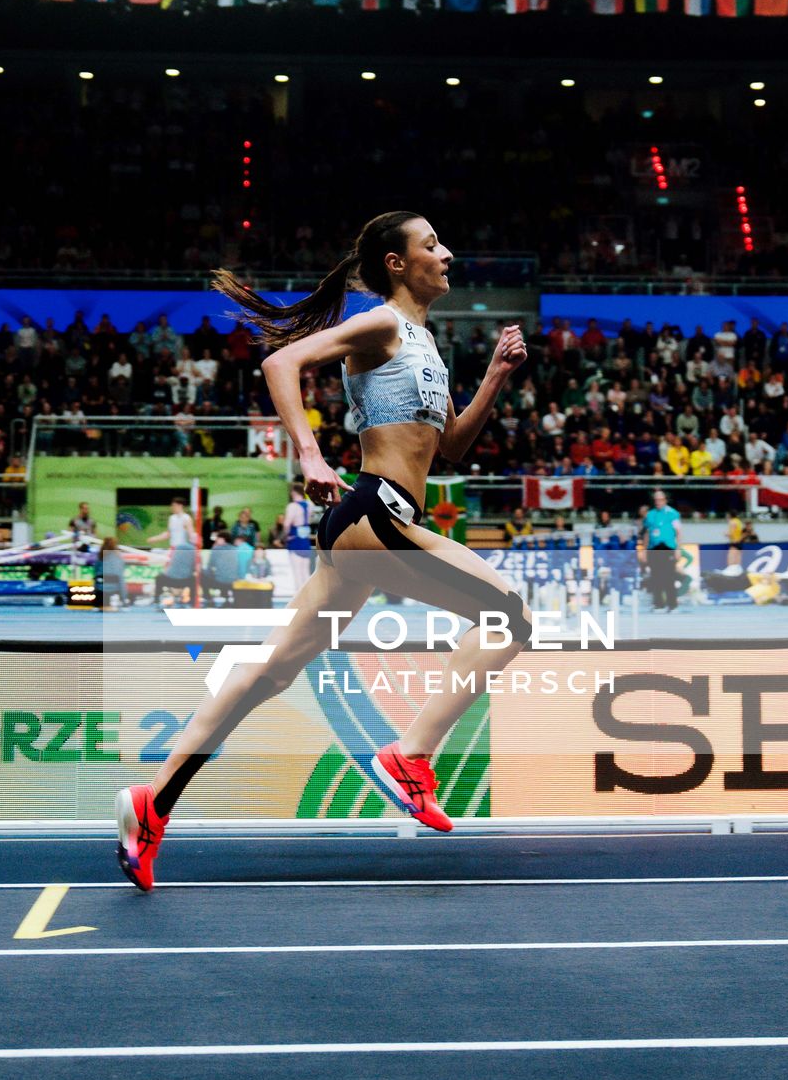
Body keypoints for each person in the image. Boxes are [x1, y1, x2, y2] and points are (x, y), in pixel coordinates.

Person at [116, 212, 530, 887]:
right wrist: (307, 453)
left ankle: (150, 803)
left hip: (366, 528)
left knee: (271, 672)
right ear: (396, 264)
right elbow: (282, 361)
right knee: (513, 617)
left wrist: (494, 379)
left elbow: (449, 448)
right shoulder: (381, 323)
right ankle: (410, 755)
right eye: (431, 245)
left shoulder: (423, 340)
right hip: (376, 512)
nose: (447, 253)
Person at [640, 486, 682, 611]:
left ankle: (672, 605)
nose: (658, 502)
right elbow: (647, 533)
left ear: (665, 500)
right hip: (654, 548)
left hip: (667, 547)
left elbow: (678, 532)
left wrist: (678, 549)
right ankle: (658, 604)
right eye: (656, 500)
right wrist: (644, 551)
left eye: (661, 499)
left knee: (669, 577)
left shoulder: (673, 513)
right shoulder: (650, 515)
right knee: (655, 577)